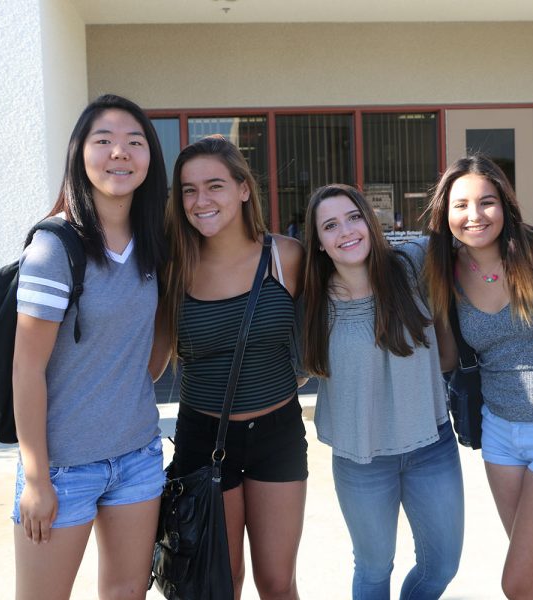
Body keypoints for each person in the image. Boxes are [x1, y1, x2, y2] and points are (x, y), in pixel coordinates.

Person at [11, 94, 168, 600]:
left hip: (138, 456)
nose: (119, 152)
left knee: (127, 593)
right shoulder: (54, 249)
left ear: (150, 158)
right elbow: (26, 369)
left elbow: (153, 350)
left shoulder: (154, 245)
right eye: (104, 141)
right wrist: (37, 479)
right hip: (63, 466)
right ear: (81, 154)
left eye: (134, 141)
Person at [423, 155, 533, 599]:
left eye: (486, 202)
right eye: (461, 205)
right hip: (500, 435)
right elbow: (446, 357)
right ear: (445, 214)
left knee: (519, 583)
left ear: (505, 205)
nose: (474, 215)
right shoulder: (445, 273)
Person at [158, 135, 307, 599]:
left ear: (244, 189)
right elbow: (150, 362)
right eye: (188, 190)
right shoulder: (173, 268)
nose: (201, 200)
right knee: (215, 585)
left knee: (278, 584)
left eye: (215, 185)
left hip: (277, 434)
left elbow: (315, 341)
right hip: (203, 437)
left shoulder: (286, 257)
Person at [302, 183, 464, 599]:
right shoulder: (312, 304)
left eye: (354, 217)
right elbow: (291, 372)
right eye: (331, 226)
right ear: (318, 242)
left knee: (442, 565)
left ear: (371, 223)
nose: (346, 231)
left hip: (431, 446)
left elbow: (464, 231)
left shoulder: (411, 266)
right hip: (362, 460)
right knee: (374, 568)